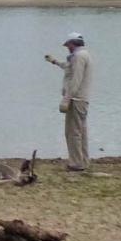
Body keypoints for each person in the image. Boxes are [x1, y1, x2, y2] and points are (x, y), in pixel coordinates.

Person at [45, 32, 93, 172]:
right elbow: (68, 67)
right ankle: (83, 161)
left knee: (73, 132)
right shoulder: (82, 55)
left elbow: (75, 80)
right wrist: (54, 61)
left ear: (73, 43)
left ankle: (76, 163)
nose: (67, 47)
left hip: (76, 99)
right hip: (81, 99)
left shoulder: (79, 57)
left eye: (68, 45)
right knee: (80, 131)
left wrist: (66, 99)